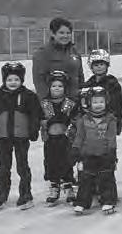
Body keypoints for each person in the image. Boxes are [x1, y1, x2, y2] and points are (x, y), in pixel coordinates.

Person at [0, 62, 41, 210]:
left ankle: (26, 194)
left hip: (22, 137)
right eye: (9, 80)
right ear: (4, 80)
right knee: (4, 167)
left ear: (22, 80)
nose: (13, 82)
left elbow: (35, 115)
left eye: (16, 79)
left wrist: (34, 131)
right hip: (4, 138)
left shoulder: (29, 96)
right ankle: (2, 193)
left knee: (22, 166)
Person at [70, 88, 119, 215]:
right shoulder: (83, 119)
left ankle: (108, 201)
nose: (98, 105)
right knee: (85, 179)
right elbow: (80, 136)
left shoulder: (110, 119)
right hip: (88, 154)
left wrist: (112, 152)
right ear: (88, 103)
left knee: (106, 178)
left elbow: (111, 137)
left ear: (106, 102)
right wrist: (75, 149)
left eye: (101, 102)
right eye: (95, 102)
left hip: (104, 154)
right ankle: (82, 202)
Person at [40, 71, 79, 205]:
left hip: (65, 139)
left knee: (67, 162)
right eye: (54, 86)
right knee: (51, 162)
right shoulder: (44, 104)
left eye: (60, 86)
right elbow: (39, 119)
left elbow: (75, 119)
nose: (57, 88)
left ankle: (68, 186)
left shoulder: (70, 103)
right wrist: (44, 123)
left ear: (65, 88)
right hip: (50, 140)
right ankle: (54, 186)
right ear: (49, 87)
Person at [32, 17, 84, 101]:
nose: (65, 36)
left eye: (68, 33)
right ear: (53, 33)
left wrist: (79, 95)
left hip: (74, 100)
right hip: (53, 101)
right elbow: (39, 81)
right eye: (61, 33)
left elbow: (80, 76)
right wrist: (46, 101)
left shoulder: (74, 52)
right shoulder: (42, 53)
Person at [80, 49, 122, 135]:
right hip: (91, 124)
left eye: (102, 64)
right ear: (91, 67)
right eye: (96, 65)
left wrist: (116, 125)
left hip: (107, 123)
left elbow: (117, 106)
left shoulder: (113, 84)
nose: (99, 67)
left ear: (107, 65)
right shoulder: (88, 84)